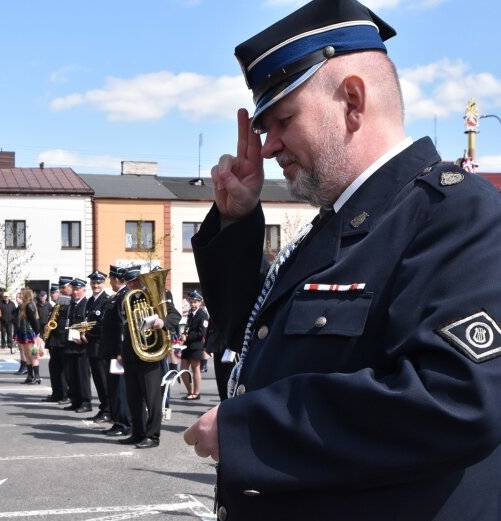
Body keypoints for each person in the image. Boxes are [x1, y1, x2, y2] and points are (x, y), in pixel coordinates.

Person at [183, 1, 501, 519]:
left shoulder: (455, 214)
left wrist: (252, 429)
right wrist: (239, 222)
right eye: (264, 128)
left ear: (353, 100)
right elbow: (255, 345)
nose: (269, 148)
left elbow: (458, 399)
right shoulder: (341, 223)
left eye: (283, 120)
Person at [118, 266, 180, 449]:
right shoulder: (126, 299)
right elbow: (124, 329)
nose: (132, 285)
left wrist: (162, 322)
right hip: (131, 353)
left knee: (152, 398)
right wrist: (122, 352)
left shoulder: (154, 296)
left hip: (149, 355)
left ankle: (153, 436)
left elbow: (175, 315)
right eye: (129, 282)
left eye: (135, 281)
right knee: (133, 397)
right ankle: (137, 433)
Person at [99, 266, 132, 437]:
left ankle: (124, 423)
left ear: (117, 280)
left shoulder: (124, 296)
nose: (109, 282)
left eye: (111, 279)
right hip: (111, 351)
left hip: (117, 352)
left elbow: (122, 327)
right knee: (113, 388)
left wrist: (121, 351)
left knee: (119, 388)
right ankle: (118, 420)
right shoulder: (118, 296)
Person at [84, 270, 111, 423]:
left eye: (99, 282)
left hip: (100, 346)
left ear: (103, 283)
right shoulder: (90, 301)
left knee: (103, 379)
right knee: (98, 380)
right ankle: (103, 408)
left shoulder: (106, 300)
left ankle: (108, 410)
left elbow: (102, 325)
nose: (96, 285)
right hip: (91, 346)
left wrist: (87, 334)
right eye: (93, 282)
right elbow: (88, 323)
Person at [62, 277, 92, 414]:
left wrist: (83, 335)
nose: (75, 292)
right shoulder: (72, 305)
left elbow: (89, 322)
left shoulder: (86, 304)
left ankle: (86, 402)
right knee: (72, 375)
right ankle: (76, 401)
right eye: (74, 289)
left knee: (82, 376)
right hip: (70, 345)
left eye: (78, 289)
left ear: (83, 290)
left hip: (81, 346)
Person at [42, 276, 73, 404]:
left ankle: (65, 394)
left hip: (62, 340)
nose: (61, 291)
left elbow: (63, 321)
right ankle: (57, 393)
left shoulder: (68, 301)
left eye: (63, 288)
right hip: (54, 340)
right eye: (60, 288)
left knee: (64, 370)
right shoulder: (61, 301)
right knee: (54, 368)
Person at [178, 291, 208, 400]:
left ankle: (196, 393)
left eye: (195, 302)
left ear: (200, 302)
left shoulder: (203, 315)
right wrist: (183, 334)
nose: (193, 304)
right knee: (183, 369)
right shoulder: (191, 313)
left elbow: (202, 333)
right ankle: (189, 391)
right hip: (187, 346)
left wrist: (188, 337)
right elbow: (188, 327)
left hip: (196, 345)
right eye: (191, 302)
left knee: (195, 369)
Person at [15, 289, 42, 384]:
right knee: (27, 355)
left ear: (26, 295)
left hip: (29, 333)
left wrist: (37, 333)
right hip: (24, 332)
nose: (20, 295)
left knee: (32, 355)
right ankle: (30, 376)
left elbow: (34, 320)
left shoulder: (29, 305)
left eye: (21, 294)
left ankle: (37, 376)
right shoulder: (24, 305)